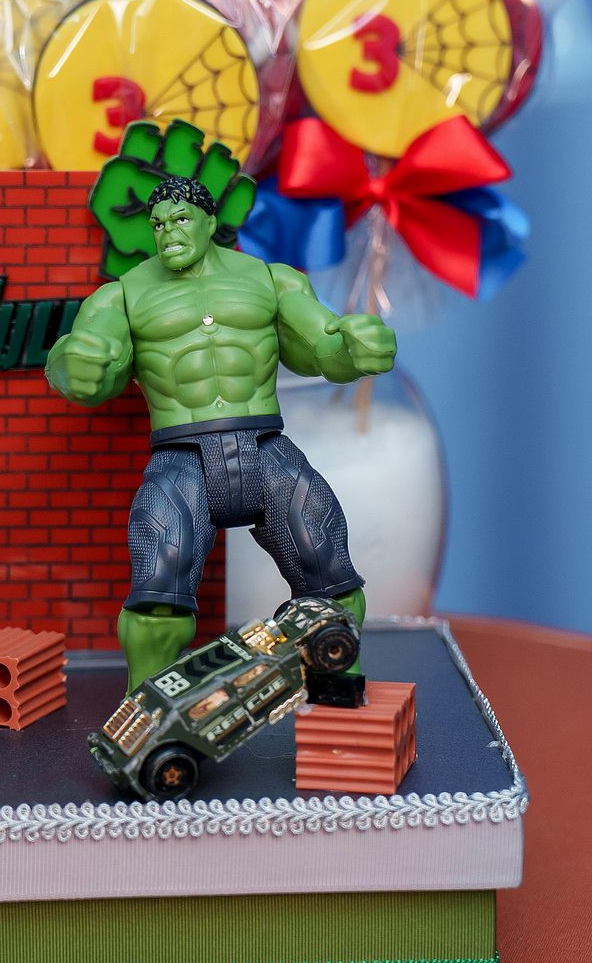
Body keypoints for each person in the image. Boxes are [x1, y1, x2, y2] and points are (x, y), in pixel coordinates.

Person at [46, 175, 396, 691]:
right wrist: (74, 366)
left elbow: (321, 348)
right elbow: (91, 363)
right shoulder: (121, 296)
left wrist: (355, 348)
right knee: (157, 599)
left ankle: (338, 693)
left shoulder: (271, 280)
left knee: (329, 575)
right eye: (158, 224)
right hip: (181, 456)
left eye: (181, 219)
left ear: (211, 222)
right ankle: (147, 712)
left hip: (265, 447)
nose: (169, 233)